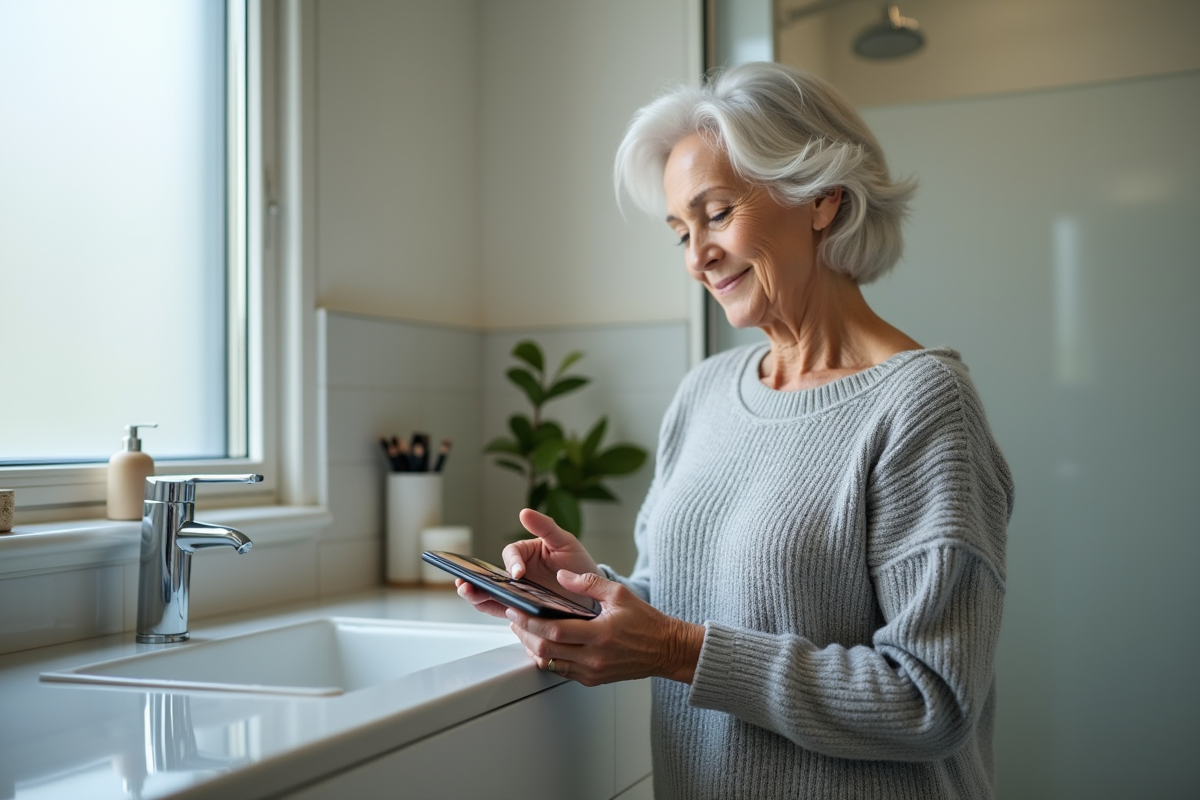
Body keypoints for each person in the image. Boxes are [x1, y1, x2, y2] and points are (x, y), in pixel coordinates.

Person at [458, 61, 1014, 800]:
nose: (697, 257)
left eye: (716, 213)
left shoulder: (922, 406)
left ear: (821, 199)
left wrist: (679, 651)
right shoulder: (706, 392)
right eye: (680, 231)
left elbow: (931, 698)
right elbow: (678, 604)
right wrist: (582, 593)